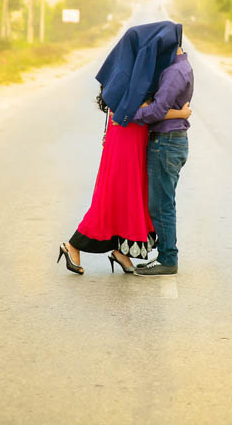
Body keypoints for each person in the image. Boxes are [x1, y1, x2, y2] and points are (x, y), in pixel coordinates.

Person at [57, 21, 189, 275]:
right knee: (113, 194)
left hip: (137, 138)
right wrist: (181, 112)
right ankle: (72, 245)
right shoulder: (129, 78)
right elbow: (132, 111)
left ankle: (120, 251)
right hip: (125, 139)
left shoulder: (140, 73)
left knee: (132, 196)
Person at [131, 43, 193, 277]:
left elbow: (158, 110)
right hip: (171, 140)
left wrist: (129, 115)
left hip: (166, 142)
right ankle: (166, 255)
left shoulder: (174, 72)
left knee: (161, 204)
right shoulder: (180, 67)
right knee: (163, 202)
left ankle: (168, 259)